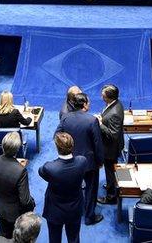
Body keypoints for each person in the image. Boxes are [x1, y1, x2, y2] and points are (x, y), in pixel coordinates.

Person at [56, 92, 104, 225]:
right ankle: (89, 217)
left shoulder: (65, 118)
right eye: (88, 102)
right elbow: (97, 144)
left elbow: (57, 135)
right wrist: (100, 161)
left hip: (70, 160)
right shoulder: (92, 120)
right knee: (90, 189)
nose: (89, 104)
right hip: (89, 163)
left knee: (72, 187)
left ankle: (70, 214)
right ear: (84, 105)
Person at [39, 132, 88, 243]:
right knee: (74, 239)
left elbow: (41, 172)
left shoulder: (49, 167)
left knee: (54, 239)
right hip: (74, 209)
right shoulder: (82, 161)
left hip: (54, 210)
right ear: (72, 145)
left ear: (57, 147)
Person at [0, 132, 36, 238]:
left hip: (1, 208)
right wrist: (32, 205)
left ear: (3, 145)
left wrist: (1, 196)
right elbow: (25, 200)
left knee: (3, 234)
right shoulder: (20, 170)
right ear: (17, 149)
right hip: (15, 214)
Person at [96, 84, 124, 205]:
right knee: (111, 169)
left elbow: (113, 135)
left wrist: (100, 124)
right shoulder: (116, 103)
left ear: (109, 97)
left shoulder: (115, 113)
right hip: (110, 146)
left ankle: (111, 197)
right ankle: (110, 185)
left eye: (103, 95)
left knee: (110, 170)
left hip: (110, 148)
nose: (101, 97)